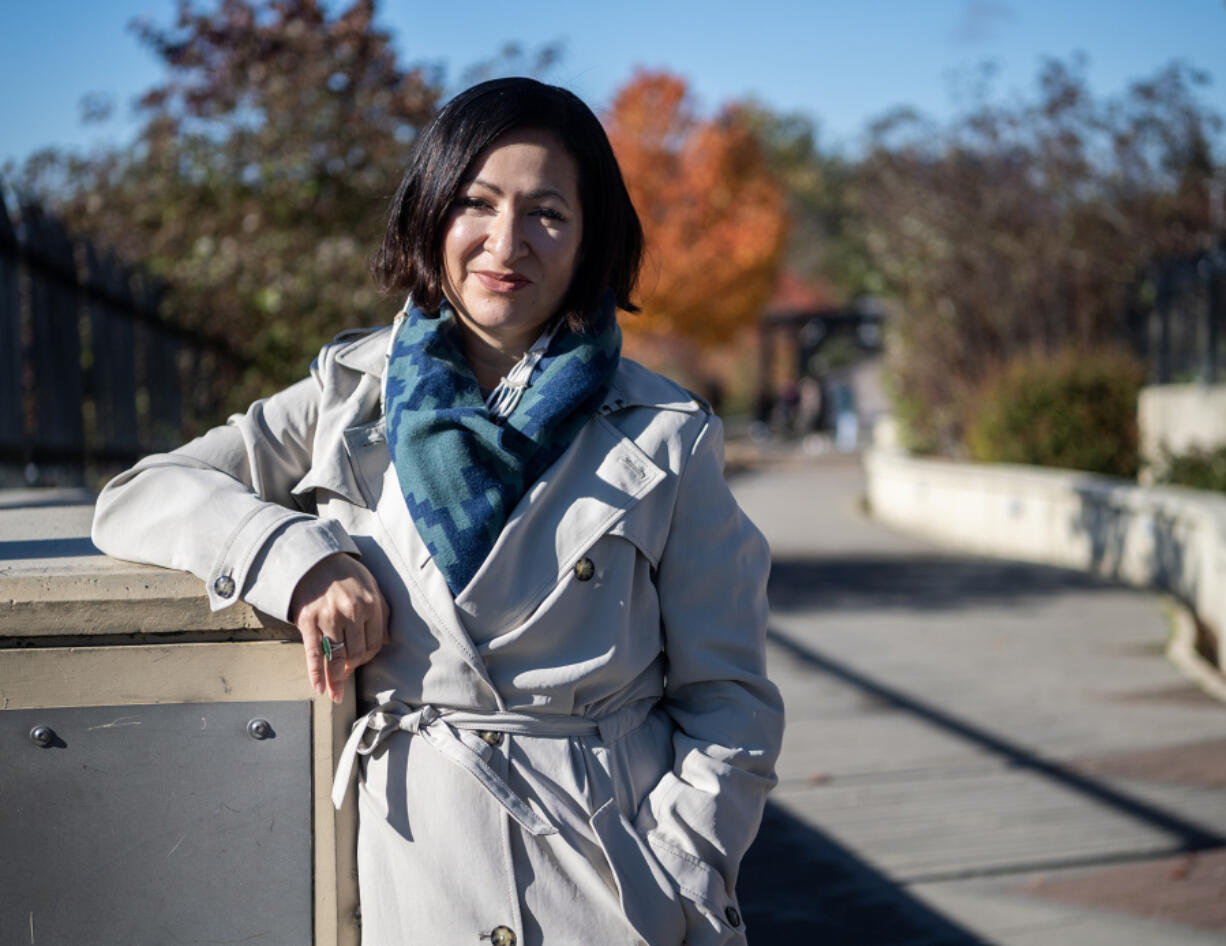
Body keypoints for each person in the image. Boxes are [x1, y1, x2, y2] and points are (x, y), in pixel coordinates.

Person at [92, 77, 783, 946]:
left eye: (547, 214)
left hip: (607, 886)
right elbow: (140, 495)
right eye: (476, 203)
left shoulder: (664, 435)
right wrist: (298, 557)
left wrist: (678, 872)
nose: (506, 242)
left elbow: (732, 705)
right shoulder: (347, 395)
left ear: (589, 238)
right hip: (414, 867)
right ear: (431, 214)